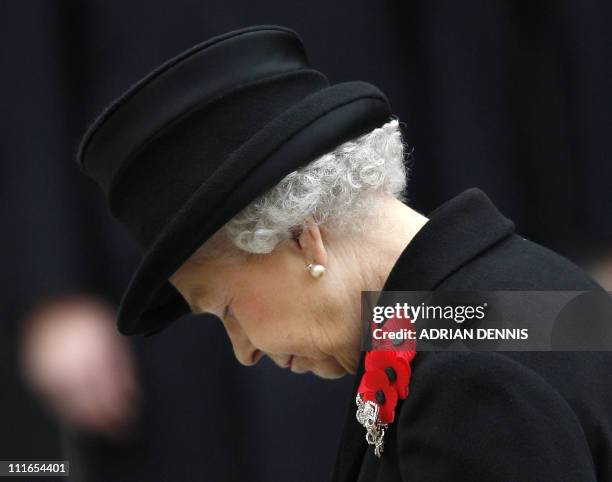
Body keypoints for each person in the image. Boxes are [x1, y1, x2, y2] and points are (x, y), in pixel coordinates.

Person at [76, 25, 612, 481]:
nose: (244, 350)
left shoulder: (466, 382)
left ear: (302, 236)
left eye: (226, 309)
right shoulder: (526, 297)